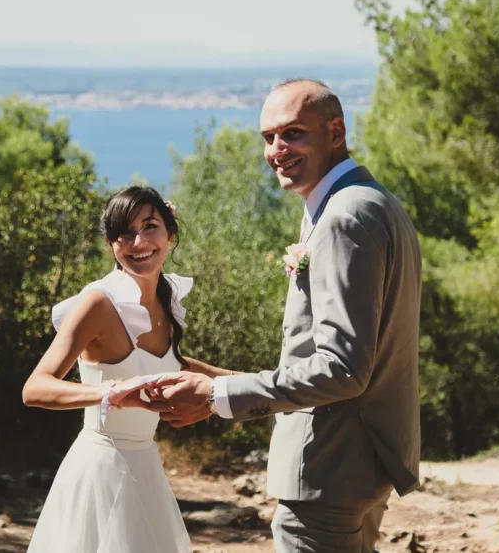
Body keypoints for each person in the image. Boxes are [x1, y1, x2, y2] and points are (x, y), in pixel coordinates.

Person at [149, 79, 423, 553]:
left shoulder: (344, 216)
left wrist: (217, 395)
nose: (277, 150)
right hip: (361, 460)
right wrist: (210, 376)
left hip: (326, 469)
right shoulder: (374, 202)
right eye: (268, 138)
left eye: (293, 133)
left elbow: (342, 369)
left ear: (335, 132)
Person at [22, 185, 233, 553]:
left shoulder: (167, 300)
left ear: (170, 235)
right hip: (99, 472)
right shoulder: (98, 304)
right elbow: (36, 388)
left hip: (146, 470)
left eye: (149, 227)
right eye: (124, 233)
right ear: (111, 246)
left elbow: (174, 364)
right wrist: (111, 393)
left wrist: (258, 383)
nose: (138, 242)